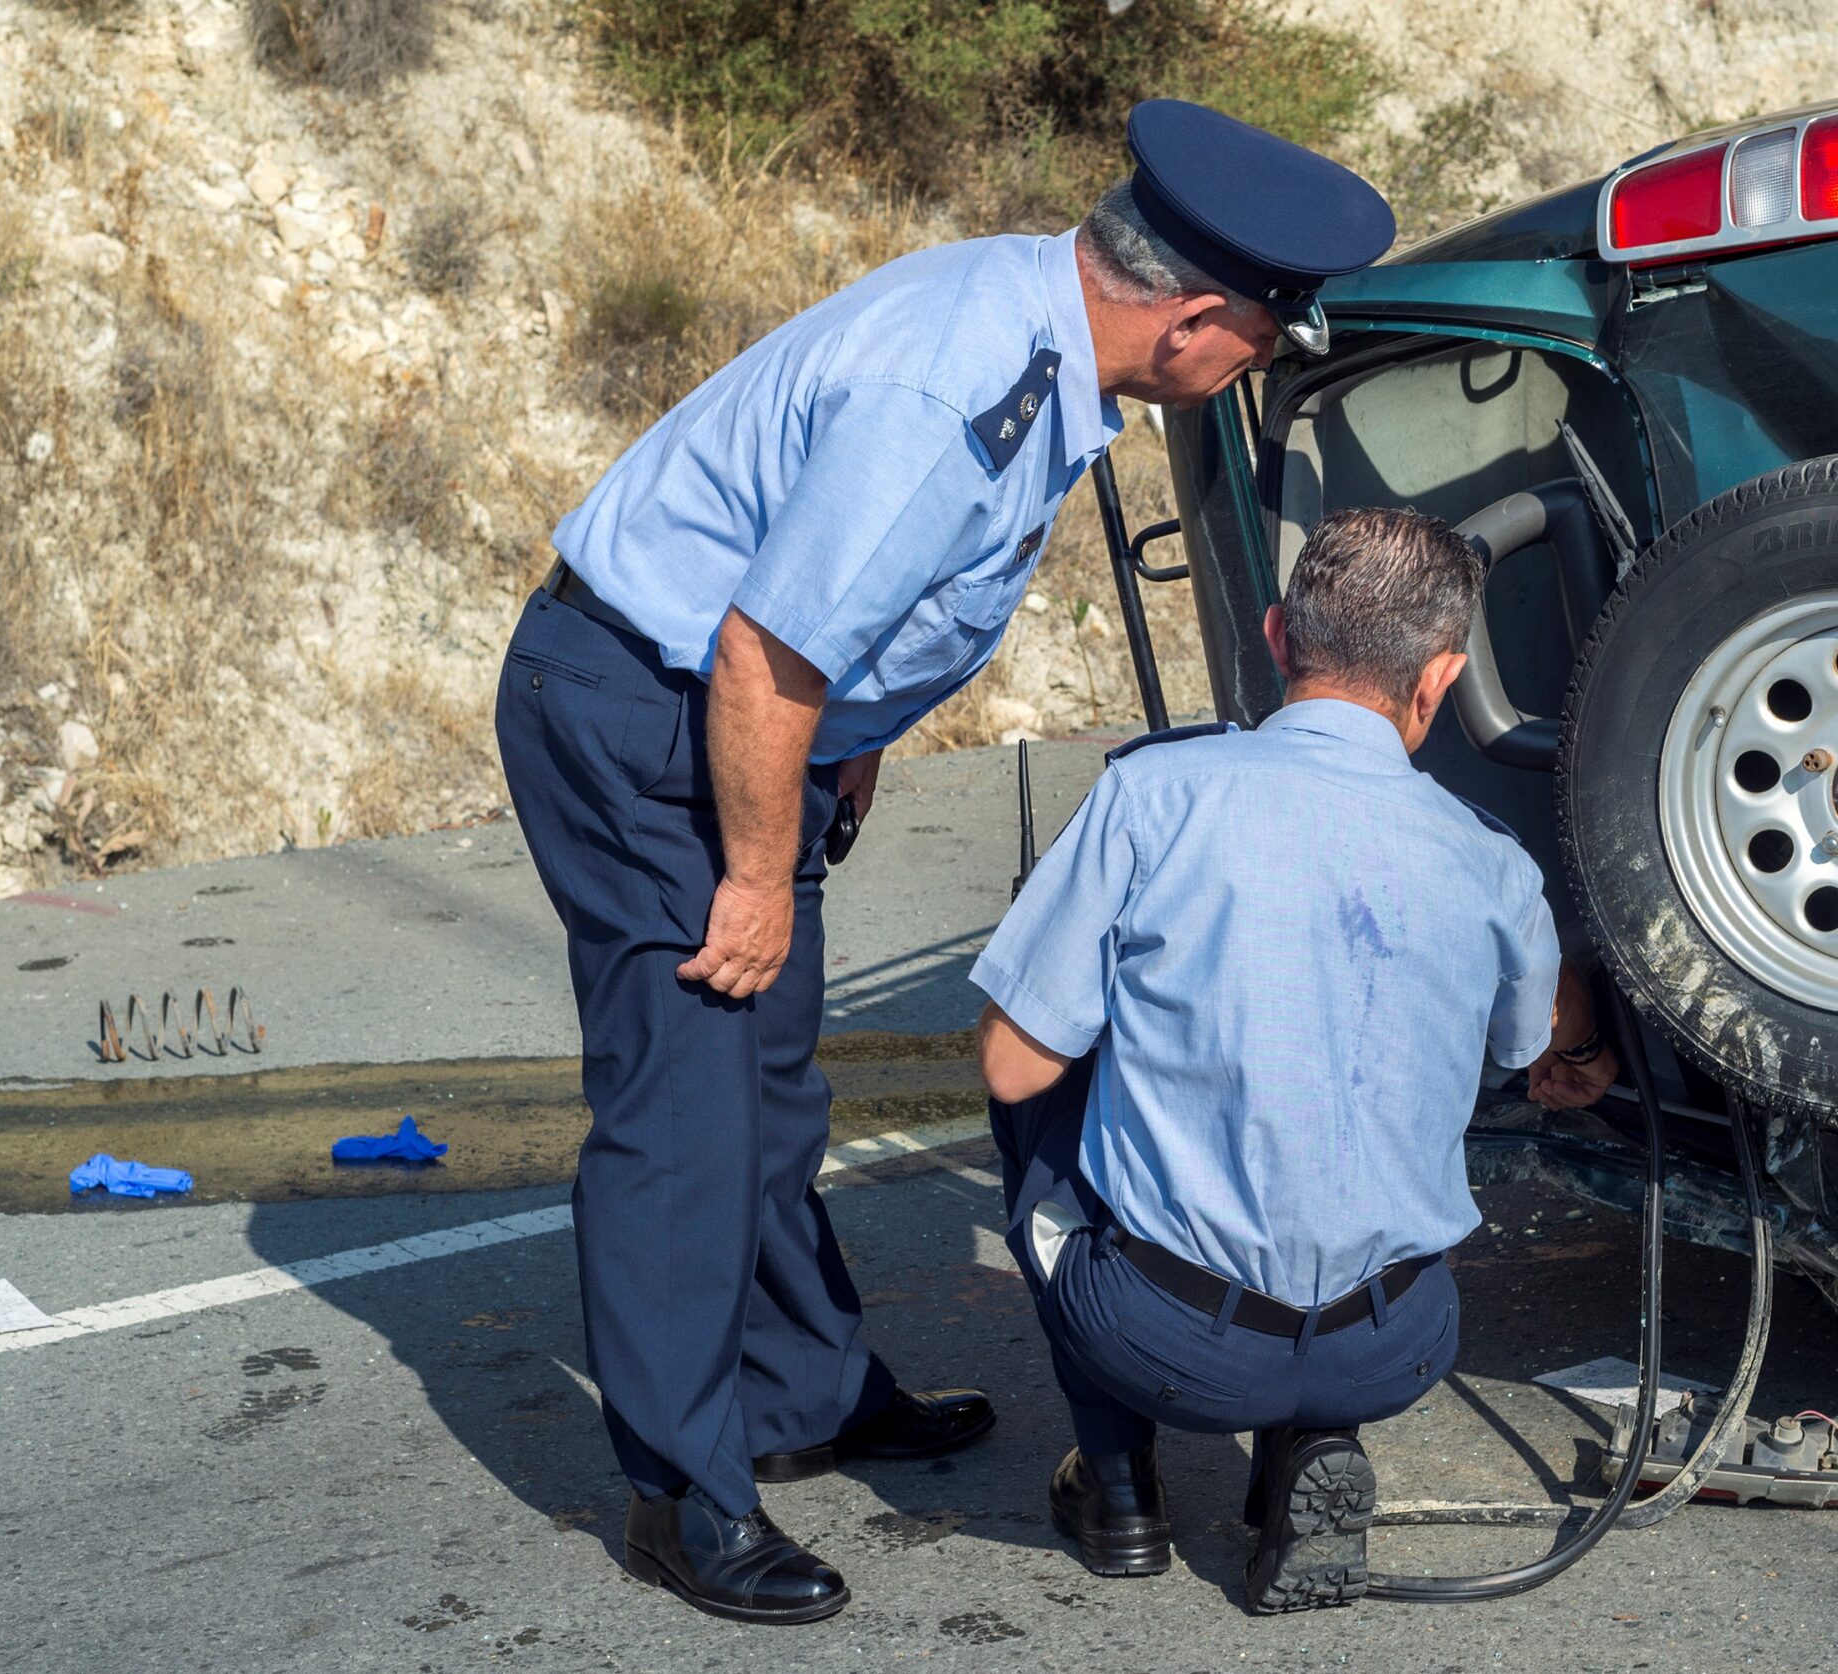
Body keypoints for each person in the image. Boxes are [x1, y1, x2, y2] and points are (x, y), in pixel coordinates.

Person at [494, 100, 1397, 1625]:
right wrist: (760, 873)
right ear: (1188, 317)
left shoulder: (1031, 318)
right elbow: (764, 645)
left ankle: (802, 1390)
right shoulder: (963, 383)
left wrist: (844, 744)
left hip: (732, 714)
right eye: (1258, 339)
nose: (1251, 366)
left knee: (771, 1084)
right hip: (653, 711)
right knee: (683, 1113)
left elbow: (846, 608)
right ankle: (683, 1493)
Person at [971, 506, 1620, 1615]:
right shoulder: (1487, 861)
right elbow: (1525, 1048)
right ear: (1438, 683)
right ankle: (1309, 1445)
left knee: (1042, 1093)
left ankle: (1121, 1489)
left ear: (1276, 638)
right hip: (1397, 1345)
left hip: (1164, 1344)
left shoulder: (1152, 795)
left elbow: (1010, 1065)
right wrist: (1588, 1045)